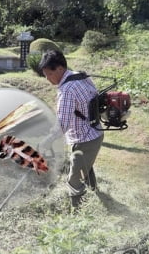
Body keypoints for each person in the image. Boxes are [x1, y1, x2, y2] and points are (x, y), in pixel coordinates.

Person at [38, 50, 104, 209]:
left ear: (59, 69)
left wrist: (45, 142)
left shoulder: (66, 90)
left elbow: (62, 125)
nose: (47, 79)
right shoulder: (81, 75)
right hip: (94, 132)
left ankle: (79, 213)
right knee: (85, 166)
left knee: (73, 180)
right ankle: (94, 191)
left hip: (85, 139)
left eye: (49, 74)